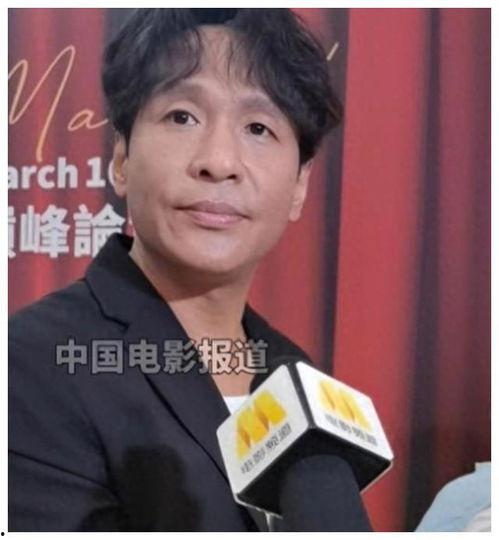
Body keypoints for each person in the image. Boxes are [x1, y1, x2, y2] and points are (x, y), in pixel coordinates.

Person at [9, 8, 342, 531]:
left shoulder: (298, 378)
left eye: (258, 128)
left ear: (299, 184)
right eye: (182, 117)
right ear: (122, 158)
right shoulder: (31, 362)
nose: (218, 161)